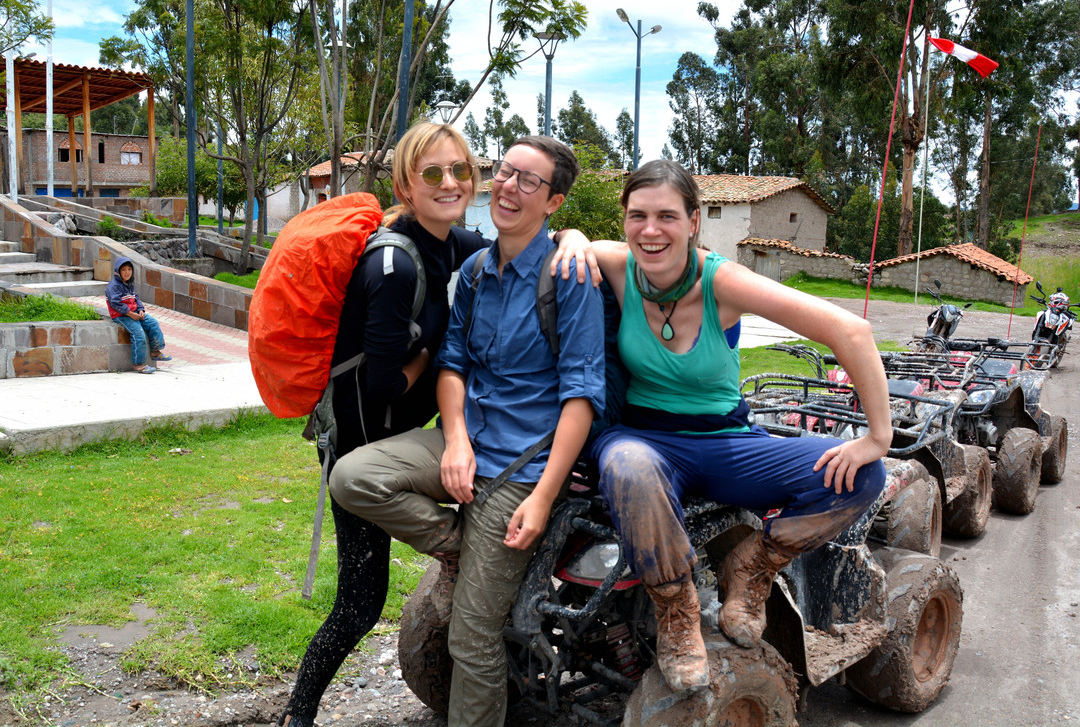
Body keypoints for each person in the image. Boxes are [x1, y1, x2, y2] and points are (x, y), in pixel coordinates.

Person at [278, 125, 596, 727]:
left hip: (519, 461)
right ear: (405, 185)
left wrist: (576, 238)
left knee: (466, 636)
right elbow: (443, 365)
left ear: (552, 200)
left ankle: (303, 709)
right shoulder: (435, 266)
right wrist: (453, 438)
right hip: (399, 435)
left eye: (529, 180)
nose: (504, 185)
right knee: (354, 521)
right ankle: (463, 552)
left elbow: (580, 392)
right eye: (505, 170)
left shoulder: (529, 265)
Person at [579, 160, 890, 693]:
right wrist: (569, 238)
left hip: (724, 441)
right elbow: (569, 237)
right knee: (627, 465)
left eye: (667, 217)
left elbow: (851, 331)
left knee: (863, 477)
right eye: (638, 216)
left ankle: (752, 566)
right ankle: (677, 614)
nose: (651, 231)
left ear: (694, 221)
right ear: (625, 221)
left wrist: (877, 437)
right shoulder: (615, 263)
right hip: (642, 441)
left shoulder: (722, 280)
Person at [105, 256, 171, 374]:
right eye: (123, 270)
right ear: (118, 271)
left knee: (153, 323)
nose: (127, 272)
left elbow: (136, 298)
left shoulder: (130, 284)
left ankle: (155, 351)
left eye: (129, 269)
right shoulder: (113, 286)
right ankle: (138, 364)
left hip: (135, 313)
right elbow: (115, 303)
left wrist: (141, 310)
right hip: (122, 315)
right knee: (138, 334)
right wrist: (130, 314)